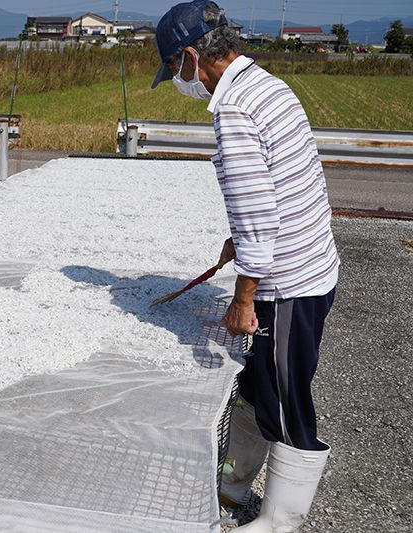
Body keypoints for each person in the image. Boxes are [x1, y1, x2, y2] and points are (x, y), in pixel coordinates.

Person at [151, 2, 340, 531]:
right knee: (257, 387)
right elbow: (287, 179)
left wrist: (244, 295)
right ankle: (233, 485)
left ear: (192, 57)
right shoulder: (267, 85)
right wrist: (243, 241)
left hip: (290, 283)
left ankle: (281, 520)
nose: (179, 82)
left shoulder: (233, 109)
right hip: (309, 260)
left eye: (175, 71)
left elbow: (258, 210)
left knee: (286, 403)